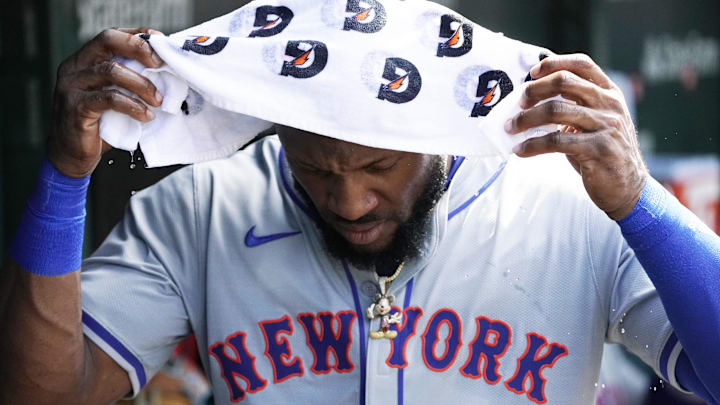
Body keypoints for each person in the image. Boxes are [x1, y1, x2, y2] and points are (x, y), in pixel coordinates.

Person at [0, 27, 719, 405]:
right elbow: (43, 391)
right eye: (315, 166)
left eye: (379, 167)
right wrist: (66, 178)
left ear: (440, 123)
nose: (348, 201)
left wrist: (642, 205)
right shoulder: (204, 204)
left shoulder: (568, 203)